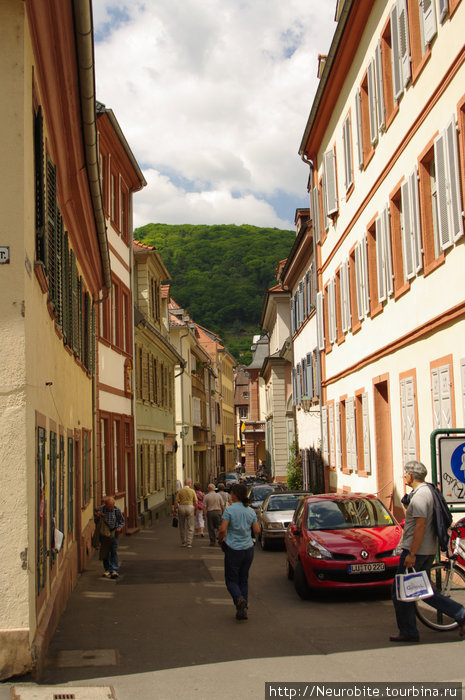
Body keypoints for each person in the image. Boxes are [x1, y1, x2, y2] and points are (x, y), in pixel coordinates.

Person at [390, 460, 465, 642]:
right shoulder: (426, 491)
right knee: (423, 591)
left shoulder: (421, 495)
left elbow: (420, 526)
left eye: (405, 473)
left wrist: (412, 553)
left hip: (417, 551)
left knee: (400, 591)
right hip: (426, 549)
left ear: (410, 475)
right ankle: (460, 614)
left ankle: (409, 631)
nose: (403, 477)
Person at [217, 482, 260, 621]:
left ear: (234, 495)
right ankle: (243, 610)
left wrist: (220, 540)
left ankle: (238, 599)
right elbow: (257, 530)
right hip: (248, 549)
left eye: (232, 492)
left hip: (233, 548)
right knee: (243, 579)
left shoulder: (229, 510)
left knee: (231, 580)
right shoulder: (250, 510)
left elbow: (223, 529)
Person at [94, 496, 124, 579]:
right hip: (104, 533)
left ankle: (114, 569)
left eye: (111, 506)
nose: (110, 508)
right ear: (105, 505)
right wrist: (97, 516)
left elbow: (121, 521)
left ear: (113, 505)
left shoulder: (116, 510)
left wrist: (119, 527)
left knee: (113, 550)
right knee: (105, 551)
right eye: (108, 506)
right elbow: (96, 521)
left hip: (114, 532)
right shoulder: (101, 510)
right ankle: (107, 569)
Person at [173, 479, 198, 548]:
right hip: (190, 507)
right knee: (190, 525)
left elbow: (176, 501)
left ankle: (183, 541)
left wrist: (175, 511)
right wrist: (195, 510)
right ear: (189, 483)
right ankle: (189, 542)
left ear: (184, 483)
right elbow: (195, 502)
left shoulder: (180, 491)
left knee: (182, 525)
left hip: (181, 507)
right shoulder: (192, 491)